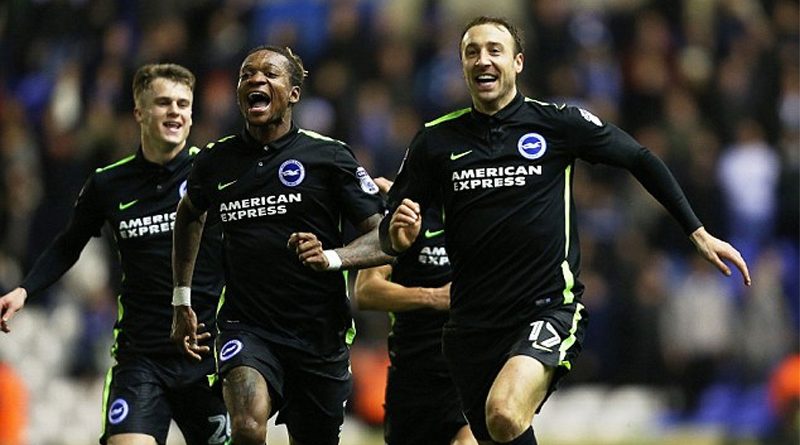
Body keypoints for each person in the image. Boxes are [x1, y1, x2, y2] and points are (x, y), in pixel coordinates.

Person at [292, 16, 752, 445]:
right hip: (470, 328)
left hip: (544, 308)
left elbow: (640, 158)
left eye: (495, 50)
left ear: (517, 62)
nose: (482, 60)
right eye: (472, 52)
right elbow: (392, 234)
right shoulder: (436, 141)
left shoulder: (557, 124)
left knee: (506, 413)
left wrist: (698, 232)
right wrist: (340, 255)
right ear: (463, 67)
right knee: (500, 430)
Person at [0, 64, 230, 444]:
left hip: (208, 358)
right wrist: (25, 290)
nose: (175, 111)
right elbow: (68, 244)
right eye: (163, 102)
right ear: (139, 112)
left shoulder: (216, 175)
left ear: (191, 114)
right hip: (141, 359)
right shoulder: (108, 184)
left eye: (183, 104)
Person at [170, 45, 386, 445]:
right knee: (248, 427)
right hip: (247, 326)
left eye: (270, 74)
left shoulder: (329, 157)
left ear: (294, 93)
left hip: (319, 334)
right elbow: (189, 214)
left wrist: (332, 257)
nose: (255, 80)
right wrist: (182, 297)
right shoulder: (215, 161)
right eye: (246, 75)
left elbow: (385, 236)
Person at [354, 177, 477, 445]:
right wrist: (432, 297)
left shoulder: (483, 219)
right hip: (413, 370)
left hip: (468, 369)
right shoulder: (405, 218)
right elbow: (365, 291)